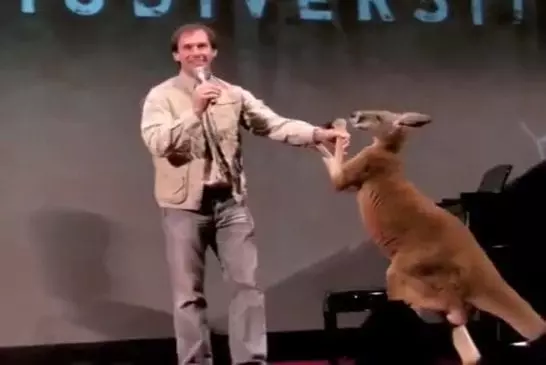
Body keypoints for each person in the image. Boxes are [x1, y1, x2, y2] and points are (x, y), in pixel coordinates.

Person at [139, 23, 350, 365]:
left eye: (203, 46)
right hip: (183, 207)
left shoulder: (232, 94)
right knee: (188, 297)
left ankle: (251, 361)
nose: (197, 53)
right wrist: (194, 111)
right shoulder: (160, 96)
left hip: (230, 204)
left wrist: (317, 134)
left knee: (247, 290)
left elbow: (273, 124)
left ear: (214, 52)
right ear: (176, 55)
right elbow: (158, 142)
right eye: (188, 47)